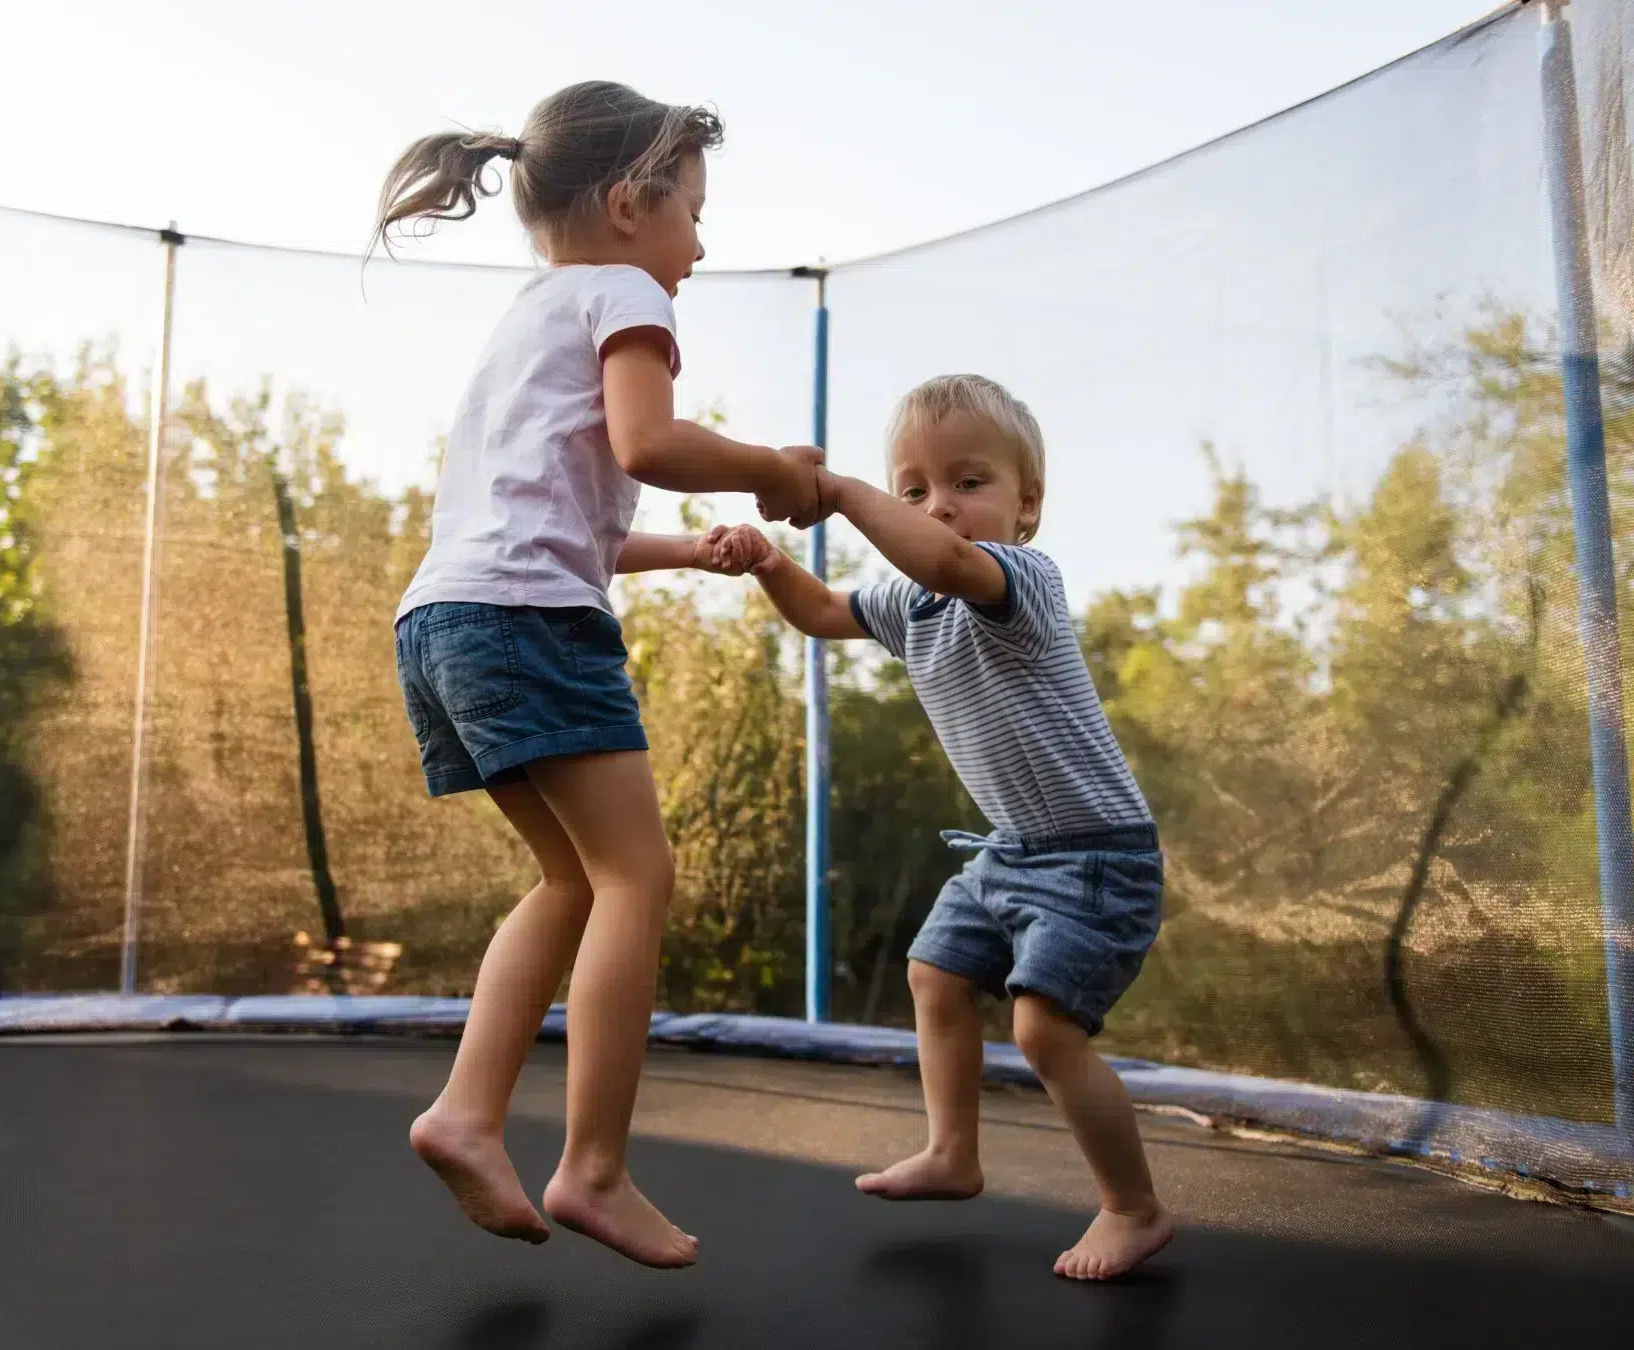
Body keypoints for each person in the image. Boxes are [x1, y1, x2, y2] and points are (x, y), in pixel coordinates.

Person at [376, 80, 825, 1270]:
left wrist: (692, 548)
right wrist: (771, 472)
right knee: (637, 877)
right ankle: (593, 1167)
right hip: (526, 623)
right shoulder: (625, 292)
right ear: (629, 204)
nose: (698, 241)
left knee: (569, 882)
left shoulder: (526, 323)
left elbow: (576, 518)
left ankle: (466, 1116)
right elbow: (649, 444)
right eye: (689, 209)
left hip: (443, 620)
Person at [706, 374, 1174, 1280]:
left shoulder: (1021, 579)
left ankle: (1134, 1207)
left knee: (1042, 1032)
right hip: (1009, 851)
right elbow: (820, 613)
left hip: (1096, 855)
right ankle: (953, 1155)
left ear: (1026, 504)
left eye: (968, 483)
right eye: (914, 488)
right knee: (934, 975)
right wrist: (768, 562)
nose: (939, 508)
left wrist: (842, 492)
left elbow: (947, 563)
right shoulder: (904, 605)